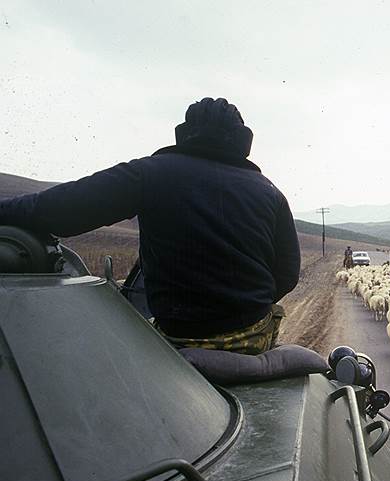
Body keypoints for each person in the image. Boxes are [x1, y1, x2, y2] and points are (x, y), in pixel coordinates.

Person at [0, 97, 300, 355]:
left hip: (178, 337)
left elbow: (58, 210)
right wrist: (242, 303)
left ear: (184, 135)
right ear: (243, 141)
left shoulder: (149, 173)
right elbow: (287, 273)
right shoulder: (270, 191)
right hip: (251, 336)